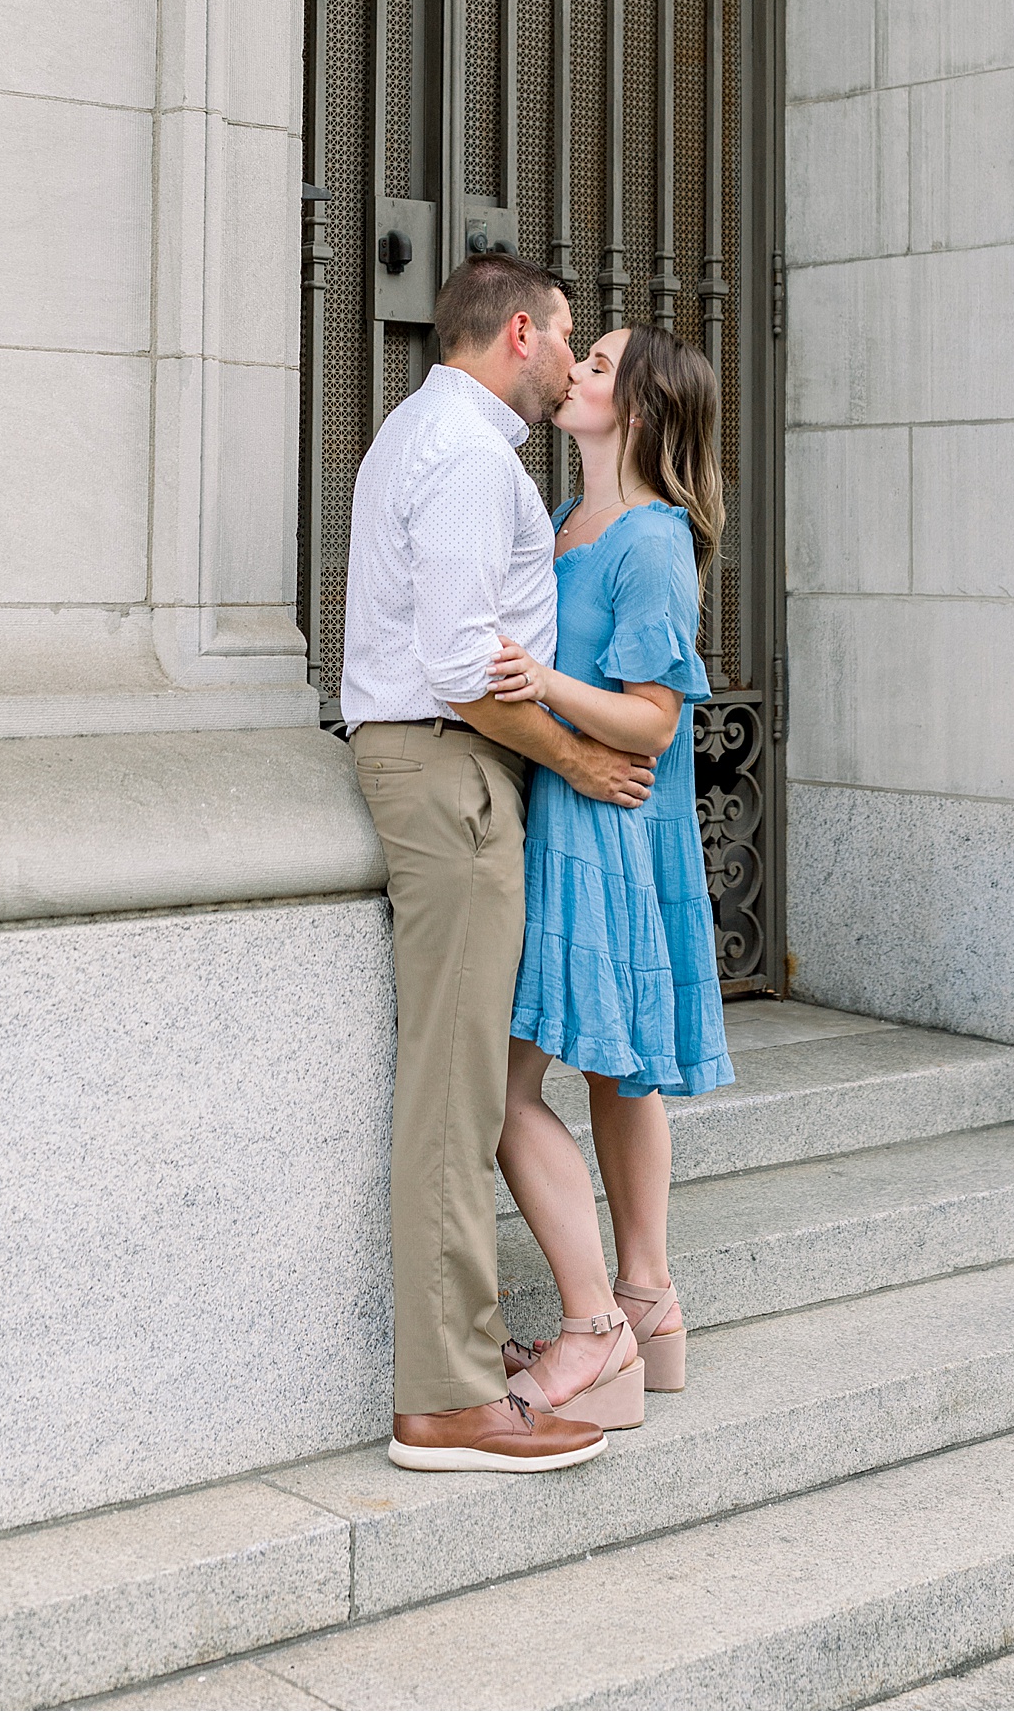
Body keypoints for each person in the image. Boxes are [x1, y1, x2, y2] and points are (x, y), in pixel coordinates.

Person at [341, 253, 659, 1475]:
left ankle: (462, 1373)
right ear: (519, 331)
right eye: (567, 336)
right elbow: (467, 668)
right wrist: (580, 760)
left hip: (442, 764)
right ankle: (450, 1395)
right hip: (450, 765)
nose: (572, 361)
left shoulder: (422, 432)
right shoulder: (470, 455)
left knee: (467, 1080)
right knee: (457, 1089)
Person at [487, 325, 735, 1427]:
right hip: (571, 812)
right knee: (615, 1072)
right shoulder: (565, 518)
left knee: (510, 1087)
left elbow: (653, 720)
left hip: (605, 825)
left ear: (635, 406)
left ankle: (603, 1332)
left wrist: (539, 681)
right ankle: (649, 1301)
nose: (574, 370)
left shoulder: (654, 541)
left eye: (596, 364)